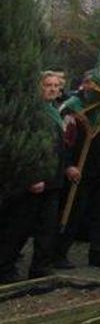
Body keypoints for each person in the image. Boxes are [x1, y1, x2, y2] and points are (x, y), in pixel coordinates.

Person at [0, 72, 74, 283]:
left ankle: (40, 268)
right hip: (32, 181)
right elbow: (27, 145)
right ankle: (5, 268)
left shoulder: (53, 111)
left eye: (56, 86)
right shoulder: (31, 112)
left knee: (47, 228)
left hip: (52, 180)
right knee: (19, 228)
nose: (53, 89)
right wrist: (33, 176)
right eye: (47, 85)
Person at [54, 72, 100, 270]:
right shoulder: (73, 106)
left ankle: (97, 253)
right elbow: (63, 139)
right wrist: (68, 164)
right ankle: (60, 252)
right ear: (84, 84)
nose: (97, 89)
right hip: (81, 167)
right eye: (93, 84)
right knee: (73, 212)